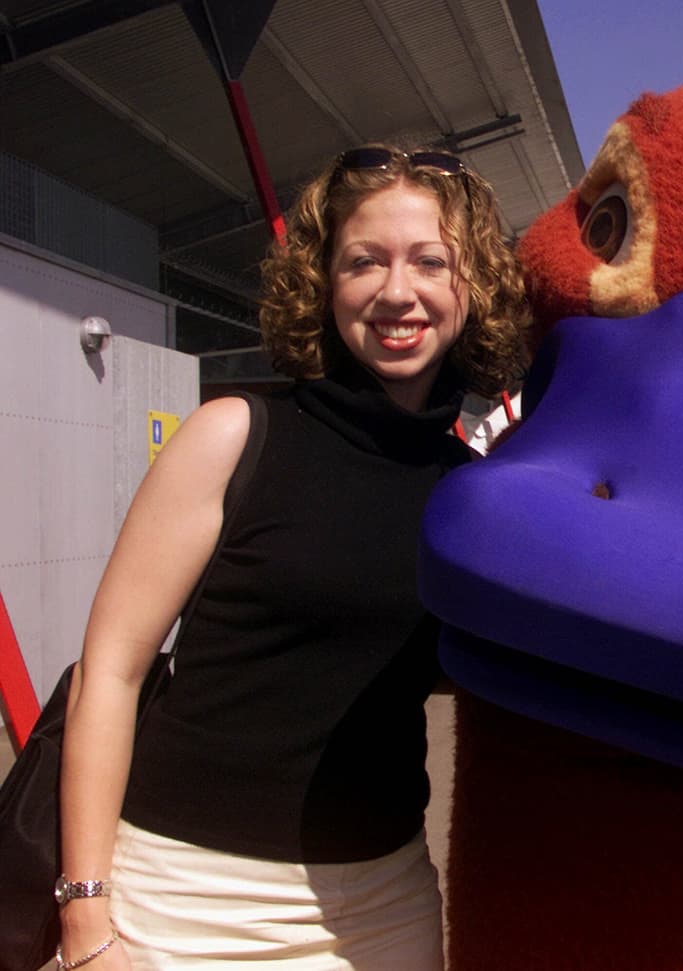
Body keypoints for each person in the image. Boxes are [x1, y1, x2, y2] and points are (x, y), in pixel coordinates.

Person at [56, 144, 528, 969]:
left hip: (385, 904)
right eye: (364, 261)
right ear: (322, 282)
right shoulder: (234, 436)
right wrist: (84, 913)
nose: (397, 291)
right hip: (187, 900)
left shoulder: (474, 490)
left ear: (473, 285)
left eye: (430, 261)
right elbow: (110, 672)